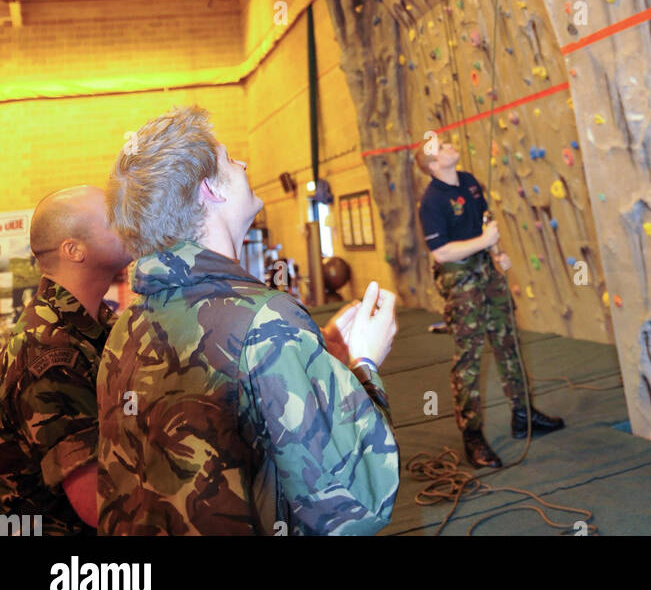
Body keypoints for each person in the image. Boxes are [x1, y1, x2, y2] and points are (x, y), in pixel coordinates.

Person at [98, 106, 399, 536]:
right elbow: (357, 502)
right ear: (210, 191)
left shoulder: (125, 329)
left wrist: (320, 361)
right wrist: (365, 365)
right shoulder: (265, 322)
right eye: (229, 159)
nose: (243, 165)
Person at [417, 134, 564, 469]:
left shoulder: (469, 182)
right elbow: (440, 252)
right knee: (468, 356)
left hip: (486, 270)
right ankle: (472, 435)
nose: (448, 146)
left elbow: (486, 221)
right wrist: (484, 242)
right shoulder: (432, 201)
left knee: (507, 341)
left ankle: (523, 414)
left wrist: (496, 252)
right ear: (432, 164)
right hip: (460, 278)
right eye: (440, 148)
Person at [0, 186, 132, 534]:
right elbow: (97, 504)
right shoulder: (47, 349)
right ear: (74, 250)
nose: (129, 222)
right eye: (113, 219)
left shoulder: (96, 324)